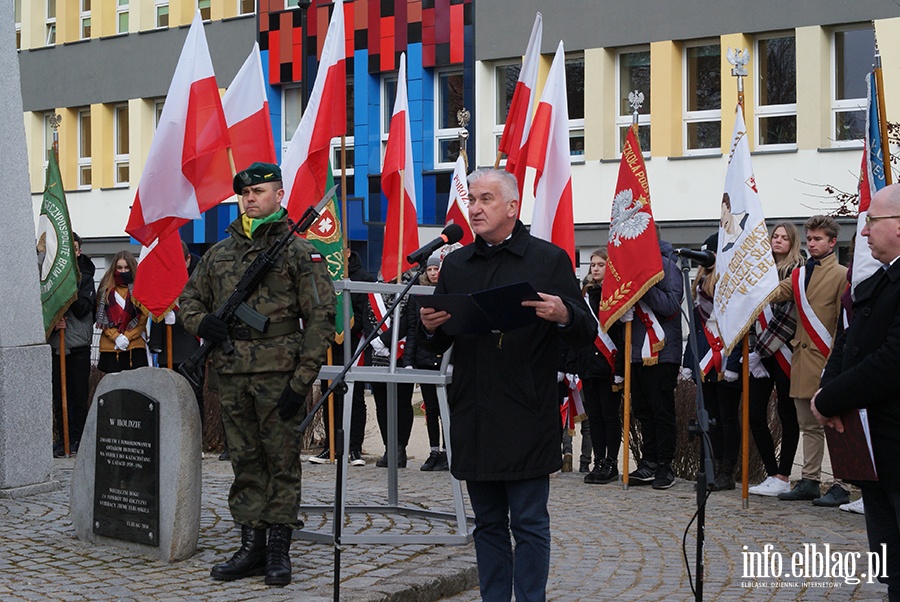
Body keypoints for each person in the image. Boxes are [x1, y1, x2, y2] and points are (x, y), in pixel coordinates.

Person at [419, 168, 595, 601]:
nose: (474, 209)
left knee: (530, 524)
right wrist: (430, 326)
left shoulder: (548, 259)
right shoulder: (457, 264)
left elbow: (585, 330)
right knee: (489, 524)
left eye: (485, 200)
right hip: (474, 411)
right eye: (471, 200)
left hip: (526, 412)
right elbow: (441, 338)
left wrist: (565, 314)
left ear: (512, 207)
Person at [180, 162, 336, 586]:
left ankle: (279, 550)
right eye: (245, 194)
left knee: (281, 462)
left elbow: (321, 318)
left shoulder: (299, 252)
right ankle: (251, 545)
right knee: (246, 461)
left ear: (279, 195)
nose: (251, 199)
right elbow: (187, 301)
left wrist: (302, 380)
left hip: (279, 376)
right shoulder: (218, 254)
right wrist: (202, 324)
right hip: (231, 375)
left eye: (260, 192)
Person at [812, 183, 900, 599]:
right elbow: (849, 340)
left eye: (872, 222)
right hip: (876, 447)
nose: (863, 233)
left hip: (896, 439)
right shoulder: (880, 280)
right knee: (889, 557)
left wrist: (830, 399)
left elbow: (890, 361)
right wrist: (828, 388)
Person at [772, 215, 850, 507]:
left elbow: (844, 321)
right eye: (809, 239)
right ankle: (810, 480)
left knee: (833, 424)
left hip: (827, 358)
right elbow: (777, 293)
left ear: (832, 242)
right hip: (802, 359)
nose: (812, 244)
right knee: (808, 425)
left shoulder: (842, 274)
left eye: (818, 239)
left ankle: (842, 483)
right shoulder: (799, 274)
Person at [682, 234, 742, 491]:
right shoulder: (699, 284)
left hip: (727, 354)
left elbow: (740, 325)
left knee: (728, 418)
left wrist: (735, 364)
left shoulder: (733, 283)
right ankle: (712, 467)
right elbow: (695, 327)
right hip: (705, 356)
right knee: (711, 417)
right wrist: (688, 360)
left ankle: (727, 471)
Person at [626, 228, 685, 490]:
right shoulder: (627, 267)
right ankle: (648, 461)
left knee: (661, 411)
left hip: (662, 352)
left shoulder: (668, 266)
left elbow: (671, 305)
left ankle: (665, 464)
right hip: (636, 351)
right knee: (642, 410)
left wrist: (644, 287)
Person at [747, 222, 802, 497]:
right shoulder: (760, 272)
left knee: (787, 414)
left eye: (784, 238)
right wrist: (753, 351)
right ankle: (771, 472)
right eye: (775, 236)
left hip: (784, 352)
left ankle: (784, 474)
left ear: (793, 242)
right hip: (760, 354)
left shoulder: (797, 271)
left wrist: (762, 350)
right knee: (755, 413)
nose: (778, 241)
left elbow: (787, 317)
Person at [308, 248, 374, 467]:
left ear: (347, 251)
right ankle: (332, 446)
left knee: (354, 397)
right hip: (330, 344)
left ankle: (354, 448)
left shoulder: (364, 277)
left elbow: (368, 312)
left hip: (355, 343)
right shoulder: (324, 275)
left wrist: (356, 333)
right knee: (330, 394)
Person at [569, 248, 623, 484]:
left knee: (609, 416)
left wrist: (620, 369)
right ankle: (598, 460)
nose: (596, 268)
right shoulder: (585, 294)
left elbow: (620, 336)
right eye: (593, 265)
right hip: (588, 364)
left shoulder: (615, 294)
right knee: (595, 417)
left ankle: (611, 462)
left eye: (601, 264)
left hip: (608, 364)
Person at [49, 233, 96, 457]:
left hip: (78, 345)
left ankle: (77, 437)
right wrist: (52, 324)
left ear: (78, 252)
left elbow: (83, 309)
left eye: (73, 248)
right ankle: (62, 437)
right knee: (59, 396)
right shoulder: (50, 276)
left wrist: (69, 284)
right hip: (57, 345)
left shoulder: (86, 276)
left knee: (78, 395)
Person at [403, 254, 449, 471]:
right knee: (431, 408)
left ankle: (448, 451)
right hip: (423, 359)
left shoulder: (448, 292)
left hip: (445, 361)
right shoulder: (417, 295)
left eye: (436, 269)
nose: (433, 273)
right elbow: (413, 330)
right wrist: (409, 361)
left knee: (447, 408)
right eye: (429, 270)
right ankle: (434, 451)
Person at [148, 241, 203, 416]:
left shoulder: (199, 279)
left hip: (192, 348)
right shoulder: (161, 280)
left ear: (187, 259)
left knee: (192, 400)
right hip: (167, 348)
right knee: (167, 401)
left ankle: (195, 442)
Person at [367, 270, 416, 468]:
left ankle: (400, 449)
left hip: (401, 353)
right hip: (377, 355)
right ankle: (388, 447)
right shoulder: (375, 288)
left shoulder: (411, 287)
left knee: (402, 403)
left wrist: (386, 341)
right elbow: (366, 316)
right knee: (382, 403)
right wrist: (377, 342)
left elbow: (408, 320)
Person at [95, 250, 149, 374]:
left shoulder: (140, 287)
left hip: (134, 346)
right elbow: (101, 316)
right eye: (119, 268)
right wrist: (116, 337)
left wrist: (127, 337)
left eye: (126, 268)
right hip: (110, 347)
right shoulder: (105, 288)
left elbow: (143, 318)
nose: (123, 271)